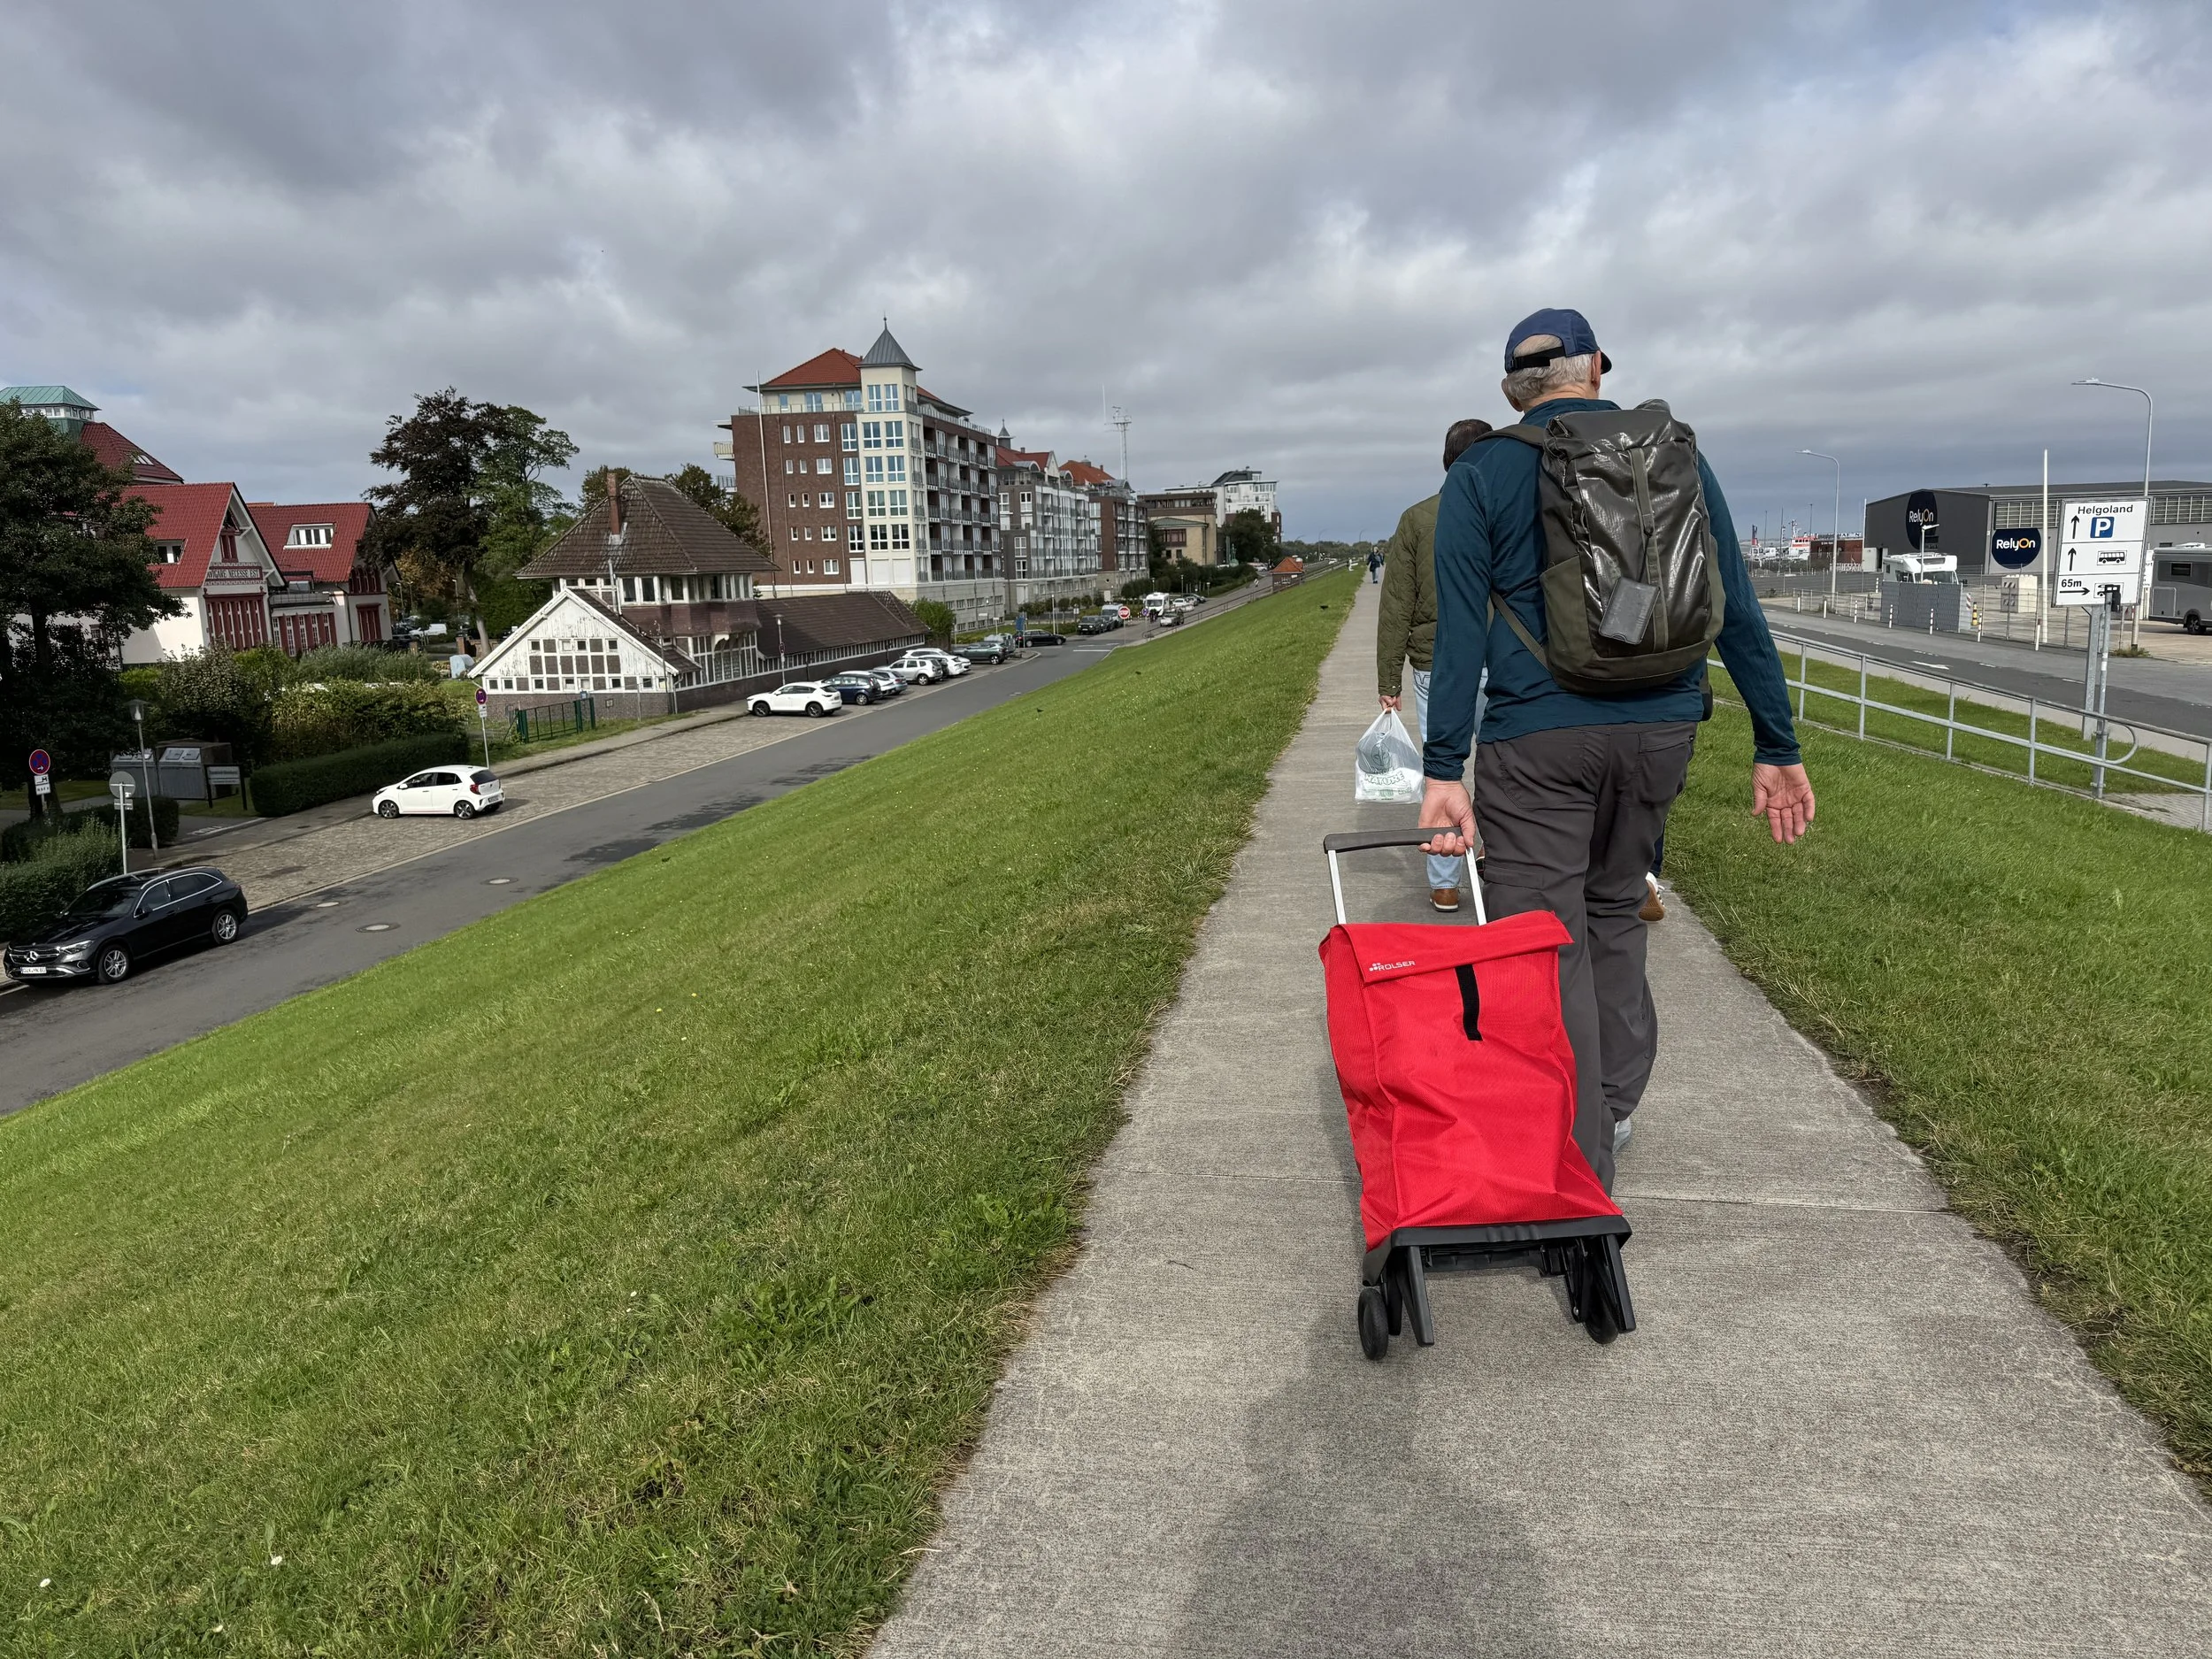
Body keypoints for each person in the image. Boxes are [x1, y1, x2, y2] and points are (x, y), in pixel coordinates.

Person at [1417, 309, 1814, 1191]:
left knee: (1537, 935)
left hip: (1536, 744)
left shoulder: (1481, 473)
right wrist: (1774, 740)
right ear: (1596, 368)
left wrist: (1444, 768)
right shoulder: (1675, 457)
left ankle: (1572, 1147)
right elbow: (1733, 609)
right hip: (1659, 732)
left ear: (1509, 390)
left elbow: (1457, 641)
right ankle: (1615, 1102)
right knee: (1612, 908)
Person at [1377, 418, 1494, 910]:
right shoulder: (1506, 512)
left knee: (1441, 770)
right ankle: (1499, 862)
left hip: (1434, 665)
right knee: (1505, 767)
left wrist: (1388, 678)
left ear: (1446, 460)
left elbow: (1397, 604)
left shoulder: (1417, 519)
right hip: (1502, 662)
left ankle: (1446, 880)